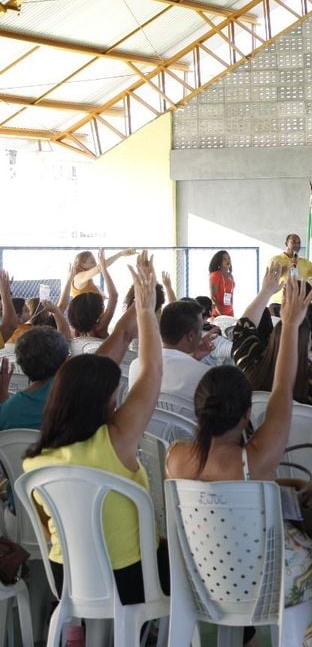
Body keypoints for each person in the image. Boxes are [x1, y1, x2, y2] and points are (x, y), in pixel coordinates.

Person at [166, 278, 312, 644]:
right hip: (262, 580)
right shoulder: (255, 460)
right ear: (247, 415)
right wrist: (290, 325)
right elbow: (281, 391)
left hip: (201, 577)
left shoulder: (175, 458)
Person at [24, 251, 169, 605]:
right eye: (113, 394)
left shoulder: (34, 463)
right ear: (102, 402)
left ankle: (77, 631)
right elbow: (152, 372)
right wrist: (147, 310)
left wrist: (134, 316)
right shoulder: (116, 442)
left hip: (68, 582)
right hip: (129, 583)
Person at [231, 264, 312, 413]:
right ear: (308, 344)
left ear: (272, 338)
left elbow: (242, 329)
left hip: (260, 437)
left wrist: (266, 291)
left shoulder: (250, 366)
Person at [128, 300, 215, 410]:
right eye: (201, 330)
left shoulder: (136, 365)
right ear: (191, 335)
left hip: (142, 427)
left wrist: (193, 358)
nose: (202, 335)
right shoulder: (206, 376)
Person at [0, 326, 70, 430]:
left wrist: (3, 399)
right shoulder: (76, 399)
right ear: (65, 361)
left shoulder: (8, 411)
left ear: (22, 365)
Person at [268, 234, 312, 312]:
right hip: (280, 303)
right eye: (293, 242)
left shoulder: (304, 262)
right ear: (286, 244)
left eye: (299, 243)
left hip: (299, 303)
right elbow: (271, 276)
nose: (296, 245)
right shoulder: (276, 260)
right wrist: (288, 265)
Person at [63, 247, 135, 300]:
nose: (96, 264)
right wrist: (120, 254)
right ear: (83, 265)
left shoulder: (88, 280)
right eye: (92, 262)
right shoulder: (78, 277)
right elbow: (100, 267)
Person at [208, 250, 236, 317]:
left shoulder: (230, 276)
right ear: (219, 261)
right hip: (218, 314)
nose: (228, 260)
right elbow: (213, 297)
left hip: (230, 312)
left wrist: (232, 312)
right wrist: (221, 314)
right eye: (224, 259)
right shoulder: (215, 275)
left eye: (229, 258)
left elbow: (231, 295)